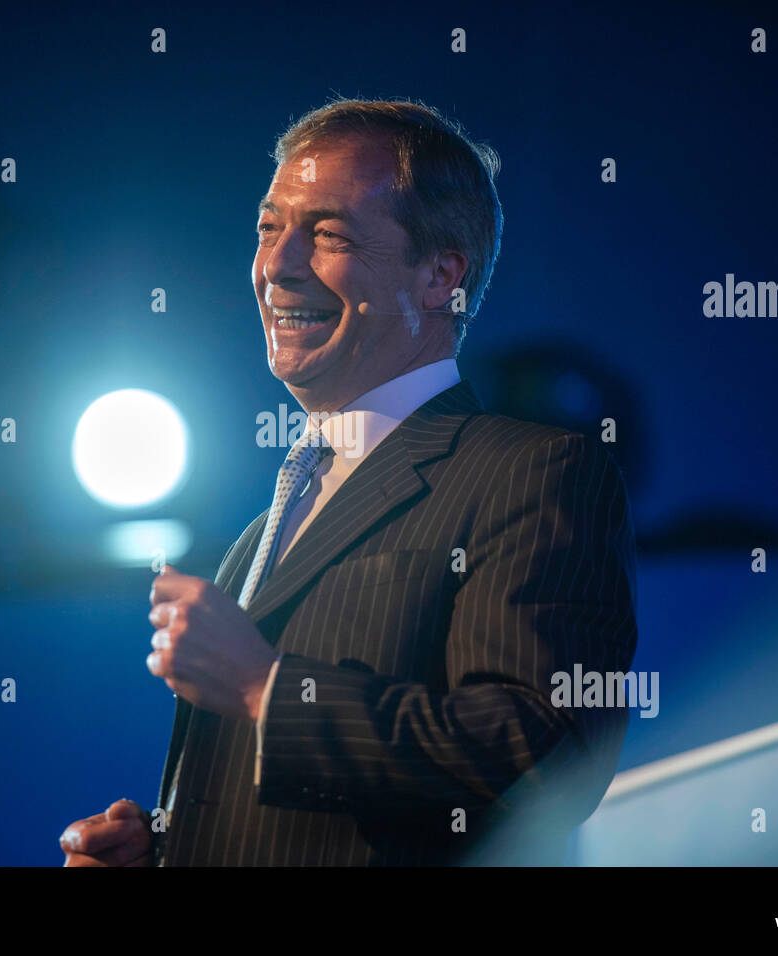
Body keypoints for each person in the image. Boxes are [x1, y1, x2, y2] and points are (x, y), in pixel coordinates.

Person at [60, 98, 637, 866]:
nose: (278, 265)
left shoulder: (535, 472)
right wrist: (160, 848)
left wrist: (270, 690)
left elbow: (543, 756)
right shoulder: (253, 540)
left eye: (327, 234)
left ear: (439, 277)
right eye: (270, 228)